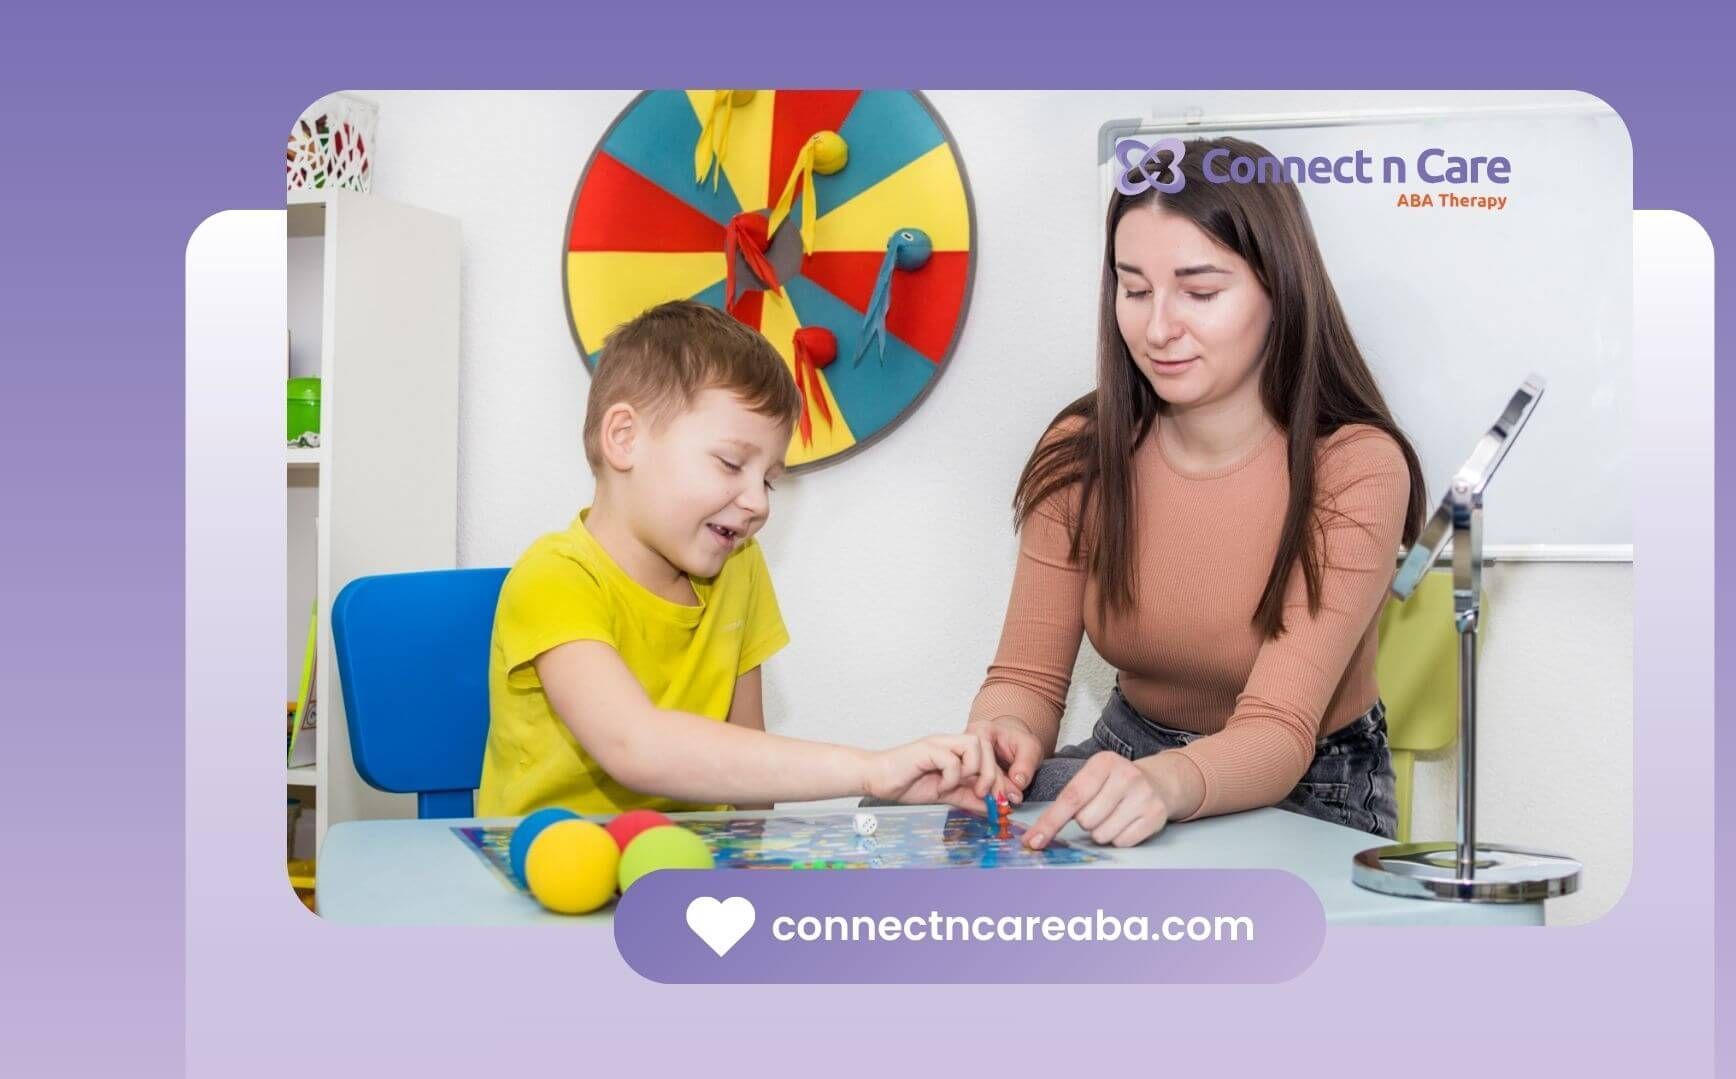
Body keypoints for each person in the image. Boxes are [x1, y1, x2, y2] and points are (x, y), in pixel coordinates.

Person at [965, 137, 1425, 850]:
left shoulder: (1357, 466)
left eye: (1201, 293)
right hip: (1127, 755)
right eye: (1135, 289)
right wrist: (1001, 735)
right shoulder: (1082, 451)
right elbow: (1024, 679)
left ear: (1280, 287)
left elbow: (1277, 732)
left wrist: (1164, 783)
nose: (1157, 329)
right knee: (927, 824)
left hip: (1312, 783)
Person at [477, 300, 996, 817]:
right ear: (624, 438)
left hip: (686, 871)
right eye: (731, 463)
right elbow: (634, 746)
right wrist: (870, 770)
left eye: (768, 478)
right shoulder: (553, 577)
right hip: (545, 872)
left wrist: (755, 877)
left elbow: (748, 776)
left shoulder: (739, 565)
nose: (758, 501)